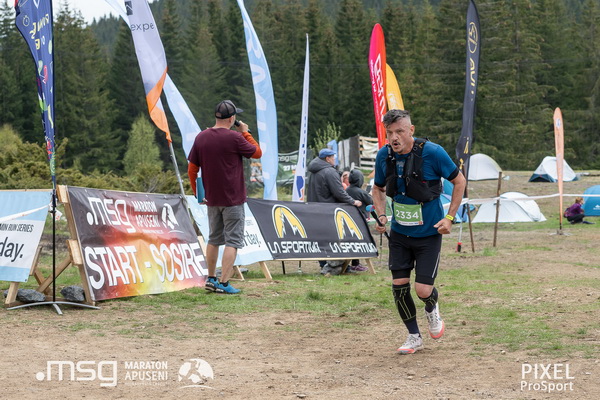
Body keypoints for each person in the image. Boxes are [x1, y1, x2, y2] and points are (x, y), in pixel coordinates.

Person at [371, 109, 466, 354]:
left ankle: (432, 309)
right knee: (399, 285)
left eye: (400, 131)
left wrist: (449, 218)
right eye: (390, 133)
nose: (394, 138)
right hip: (400, 234)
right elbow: (378, 188)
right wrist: (381, 215)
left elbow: (459, 181)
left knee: (422, 290)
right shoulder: (384, 155)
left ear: (411, 130)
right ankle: (414, 336)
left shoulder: (433, 153)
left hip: (429, 233)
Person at [187, 100, 262, 294]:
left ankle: (211, 278)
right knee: (232, 241)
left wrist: (198, 193)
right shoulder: (235, 138)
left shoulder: (201, 137)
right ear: (232, 118)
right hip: (233, 199)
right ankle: (224, 282)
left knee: (213, 239)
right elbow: (257, 153)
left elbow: (192, 169)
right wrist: (245, 132)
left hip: (212, 199)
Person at [307, 148, 362, 275]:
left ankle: (323, 264)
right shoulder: (329, 171)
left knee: (321, 239)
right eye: (333, 157)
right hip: (328, 211)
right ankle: (335, 266)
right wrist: (353, 201)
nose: (334, 159)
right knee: (333, 239)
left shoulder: (314, 171)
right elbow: (339, 192)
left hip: (314, 209)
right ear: (327, 159)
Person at [345, 169, 372, 272]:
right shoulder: (361, 192)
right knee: (358, 242)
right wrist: (369, 194)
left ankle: (350, 263)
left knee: (351, 241)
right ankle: (355, 264)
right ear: (360, 180)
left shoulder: (346, 190)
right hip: (360, 220)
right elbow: (371, 202)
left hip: (348, 219)